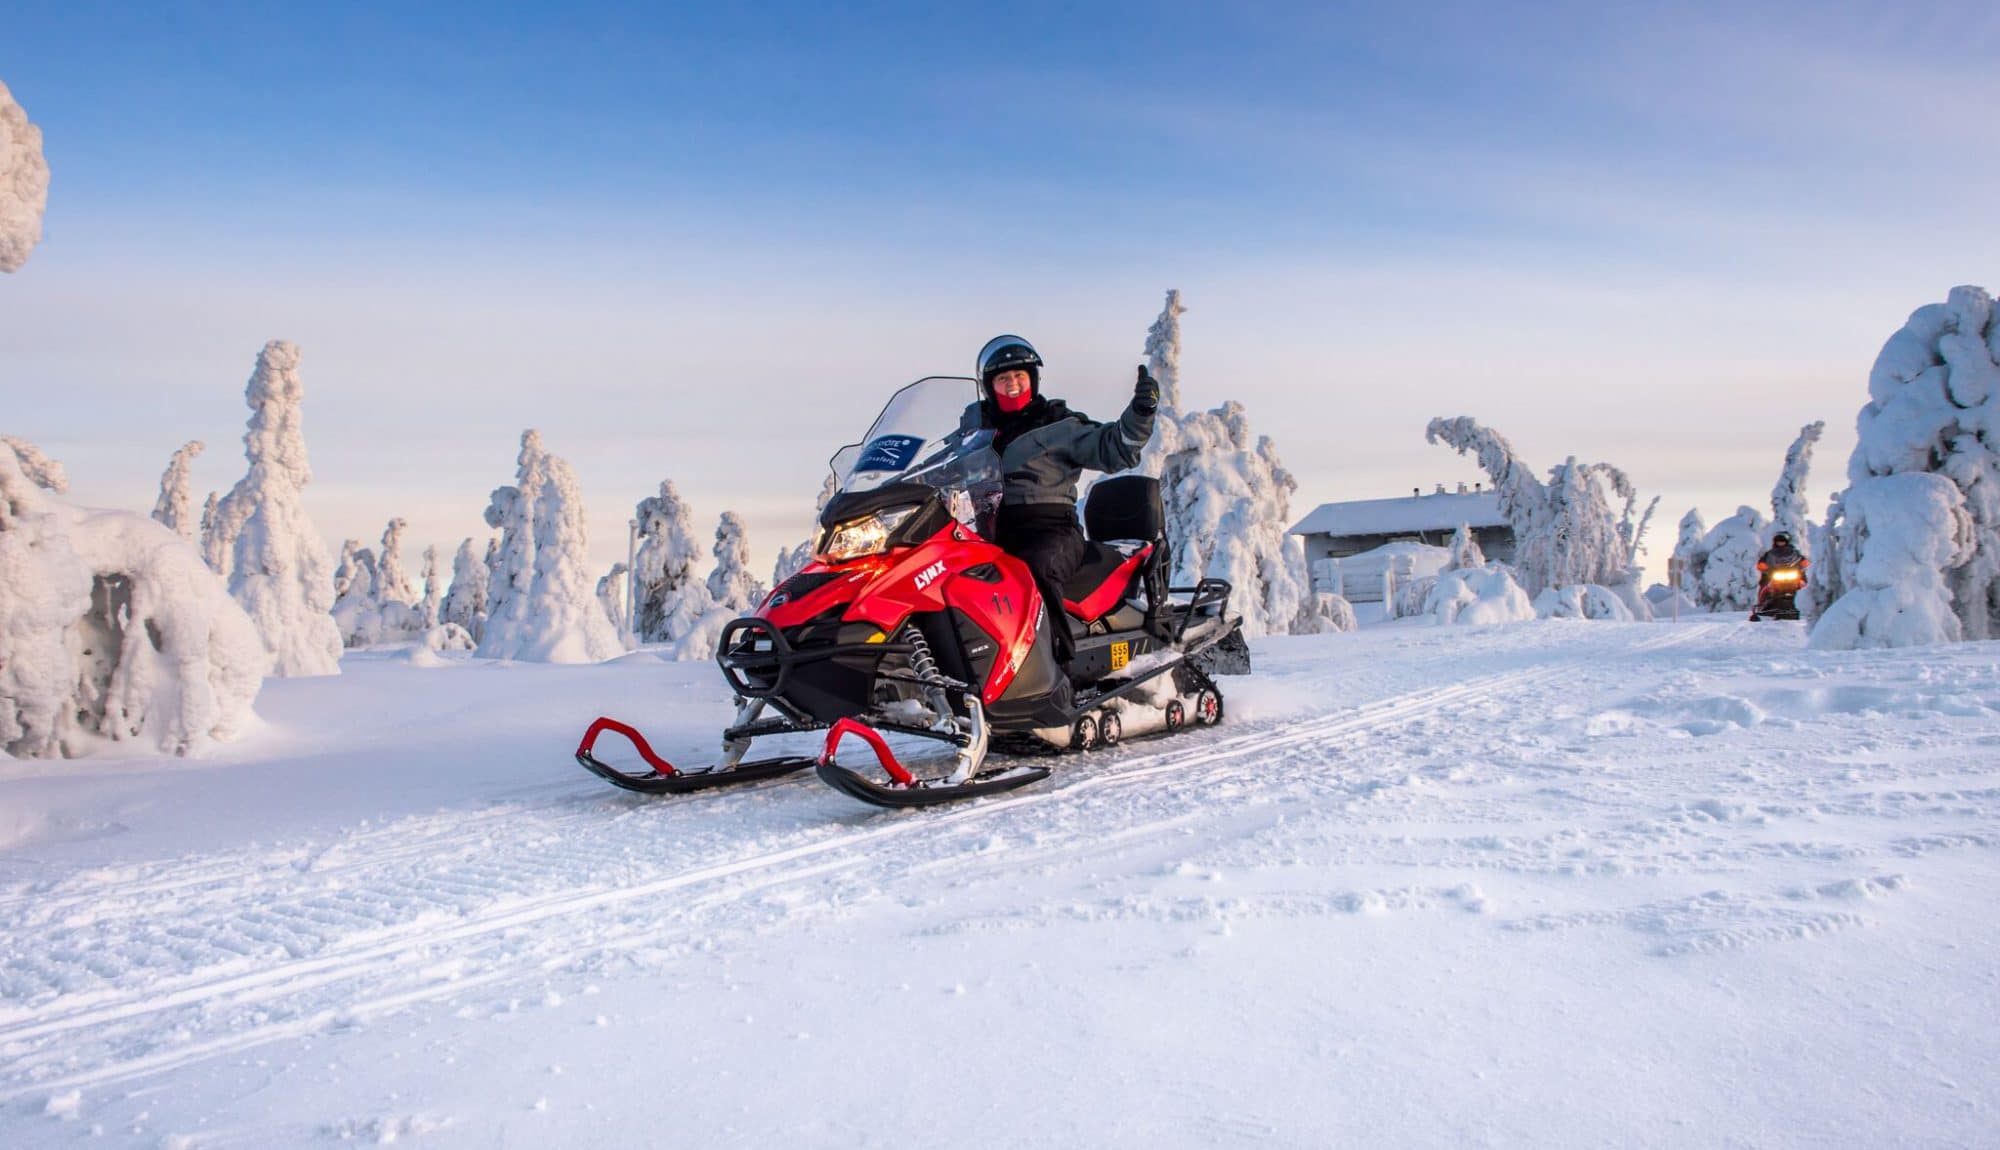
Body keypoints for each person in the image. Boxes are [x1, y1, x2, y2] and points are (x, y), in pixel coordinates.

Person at [964, 334, 1159, 663]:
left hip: (1050, 530)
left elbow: (1113, 448)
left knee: (1033, 571)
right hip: (990, 533)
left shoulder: (1059, 425)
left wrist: (1140, 413)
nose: (1012, 385)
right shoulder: (972, 435)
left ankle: (1055, 674)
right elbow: (933, 467)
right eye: (1003, 378)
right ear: (989, 386)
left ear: (1033, 379)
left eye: (1019, 377)